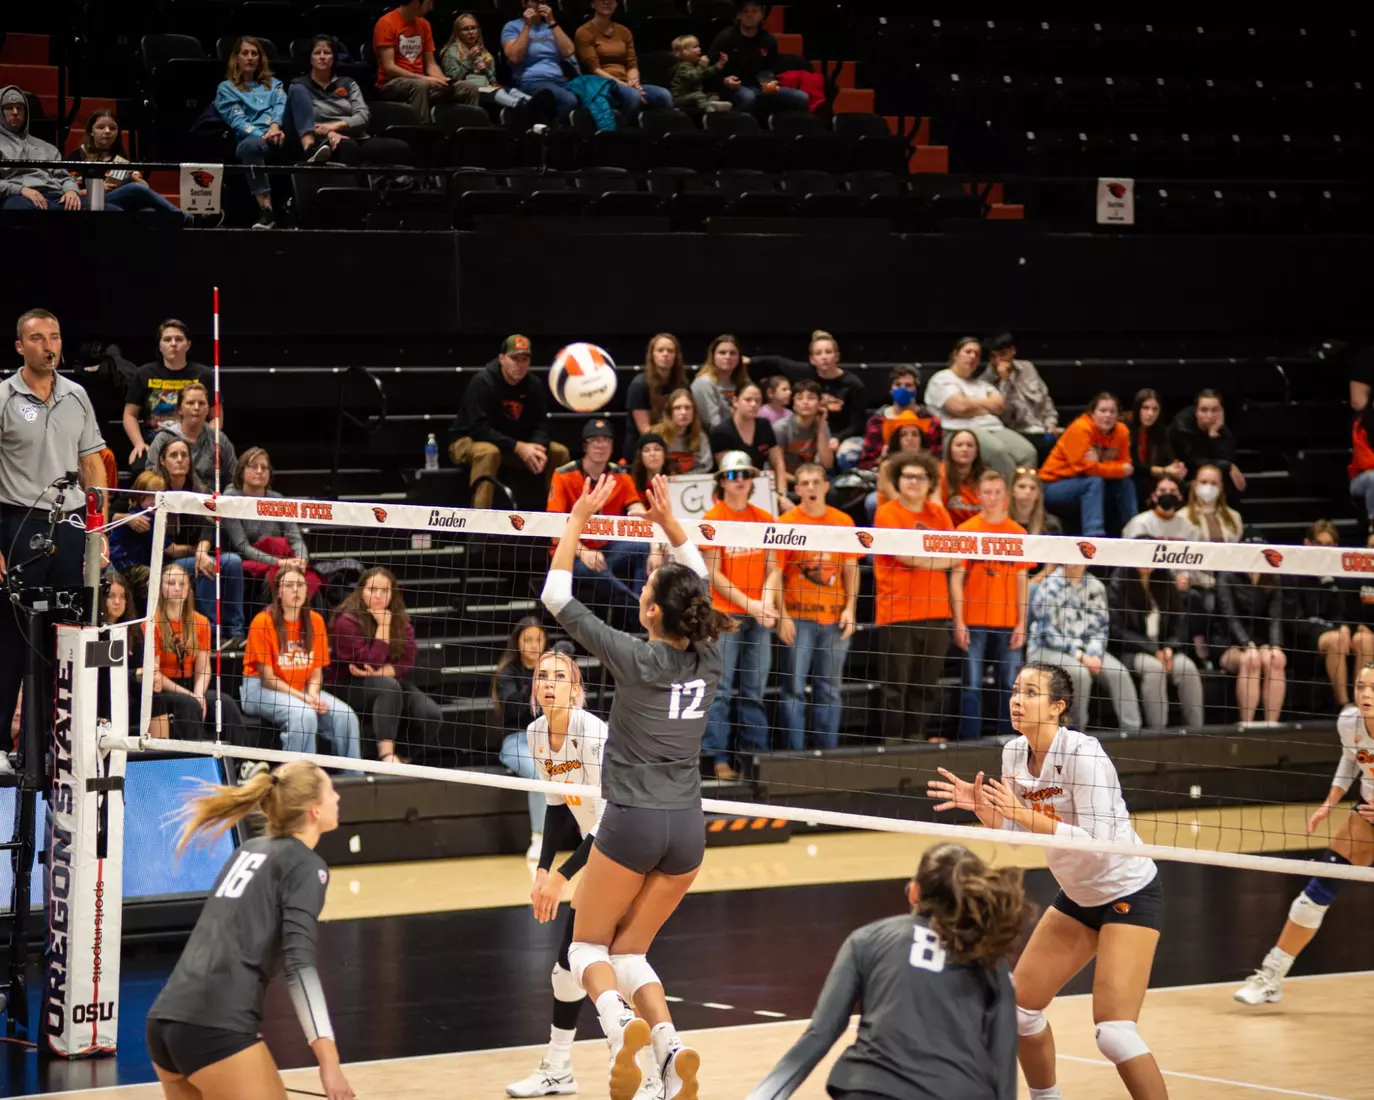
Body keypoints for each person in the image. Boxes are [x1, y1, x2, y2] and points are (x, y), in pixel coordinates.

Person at [541, 473, 726, 1100]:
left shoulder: (635, 656)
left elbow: (557, 597)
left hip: (634, 820)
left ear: (651, 612)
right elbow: (694, 575)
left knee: (585, 946)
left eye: (646, 590)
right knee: (630, 952)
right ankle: (670, 1050)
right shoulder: (711, 655)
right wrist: (672, 525)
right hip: (689, 830)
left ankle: (620, 1027)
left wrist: (577, 519)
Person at [929, 662, 1169, 1100]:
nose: (1017, 700)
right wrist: (986, 811)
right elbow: (1018, 840)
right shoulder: (1013, 753)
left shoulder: (1084, 754)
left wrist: (1022, 814)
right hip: (1078, 898)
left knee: (1114, 1032)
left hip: (1128, 892)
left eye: (1031, 693)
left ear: (1058, 707)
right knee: (1018, 1013)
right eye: (1016, 691)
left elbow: (1100, 845)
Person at [748, 842, 1024, 1100]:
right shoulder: (991, 961)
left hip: (870, 1088)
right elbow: (1003, 1056)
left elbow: (820, 1034)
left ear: (914, 891)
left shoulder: (866, 939)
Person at [145, 761, 354, 1100]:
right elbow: (299, 966)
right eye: (331, 790)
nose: (337, 797)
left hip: (164, 1023)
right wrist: (328, 1061)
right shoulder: (305, 865)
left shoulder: (248, 850)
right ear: (314, 810)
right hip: (216, 1028)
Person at [508, 650, 659, 1099]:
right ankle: (560, 1068)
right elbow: (558, 807)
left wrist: (563, 878)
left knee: (609, 963)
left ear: (577, 690)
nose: (549, 682)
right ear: (535, 688)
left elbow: (608, 817)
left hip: (629, 844)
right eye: (542, 676)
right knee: (570, 969)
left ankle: (653, 1073)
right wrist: (542, 870)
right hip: (604, 853)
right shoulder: (536, 734)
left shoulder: (591, 731)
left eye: (560, 676)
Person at [1234, 662, 1374, 1007]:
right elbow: (1351, 759)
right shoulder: (1350, 721)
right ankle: (1272, 976)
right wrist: (1329, 803)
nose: (1366, 694)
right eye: (1360, 686)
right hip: (1368, 816)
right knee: (1318, 889)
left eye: (1373, 688)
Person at [0, 309, 108, 740]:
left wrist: (98, 530)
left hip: (71, 525)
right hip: (19, 523)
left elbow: (92, 464)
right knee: (11, 640)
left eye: (56, 337)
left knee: (65, 638)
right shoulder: (4, 397)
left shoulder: (77, 395)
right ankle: (1, 750)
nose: (50, 346)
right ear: (20, 347)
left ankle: (57, 744)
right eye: (39, 338)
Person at [701, 452, 778, 780]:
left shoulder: (765, 518)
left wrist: (766, 603)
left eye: (744, 474)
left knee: (753, 690)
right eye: (732, 475)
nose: (739, 480)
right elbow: (714, 574)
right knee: (721, 689)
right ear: (721, 481)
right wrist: (754, 605)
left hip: (757, 613)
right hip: (724, 615)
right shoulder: (713, 518)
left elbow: (774, 569)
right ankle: (717, 759)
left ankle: (754, 761)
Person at [775, 465, 858, 750]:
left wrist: (851, 608)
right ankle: (794, 754)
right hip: (798, 618)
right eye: (804, 483)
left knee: (829, 689)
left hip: (834, 618)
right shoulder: (786, 523)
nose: (810, 488)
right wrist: (782, 617)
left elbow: (850, 566)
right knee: (794, 689)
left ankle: (827, 753)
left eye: (815, 482)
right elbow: (775, 573)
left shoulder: (843, 521)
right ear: (796, 489)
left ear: (826, 486)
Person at [241, 566, 362, 760]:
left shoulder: (315, 621)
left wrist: (313, 694)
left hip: (303, 688)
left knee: (346, 717)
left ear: (307, 590)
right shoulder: (262, 621)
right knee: (304, 715)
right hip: (260, 689)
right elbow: (267, 678)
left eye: (300, 585)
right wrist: (304, 698)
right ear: (278, 592)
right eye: (289, 586)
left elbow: (316, 671)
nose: (295, 590)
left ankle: (352, 779)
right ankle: (297, 781)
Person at [873, 452, 954, 743]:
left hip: (935, 610)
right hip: (897, 611)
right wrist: (940, 558)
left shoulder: (938, 514)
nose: (914, 482)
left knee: (926, 684)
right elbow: (906, 557)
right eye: (908, 476)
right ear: (898, 480)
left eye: (920, 477)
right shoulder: (887, 513)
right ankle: (892, 743)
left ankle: (917, 740)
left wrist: (930, 559)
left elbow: (957, 558)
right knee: (896, 685)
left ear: (930, 482)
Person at [330, 567, 444, 763]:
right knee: (388, 687)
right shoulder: (346, 621)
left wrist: (380, 672)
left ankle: (402, 759)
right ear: (361, 591)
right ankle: (386, 754)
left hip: (384, 680)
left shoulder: (399, 620)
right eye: (373, 590)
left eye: (385, 591)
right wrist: (383, 627)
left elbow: (407, 660)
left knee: (431, 713)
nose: (379, 596)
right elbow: (369, 661)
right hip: (346, 684)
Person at [949, 470, 1030, 739]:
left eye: (997, 493)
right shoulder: (967, 531)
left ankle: (1009, 740)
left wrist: (1022, 622)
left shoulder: (1018, 533)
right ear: (979, 495)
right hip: (974, 619)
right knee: (971, 684)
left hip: (1008, 621)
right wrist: (958, 621)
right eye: (987, 492)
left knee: (1010, 685)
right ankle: (969, 739)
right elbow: (956, 579)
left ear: (1006, 497)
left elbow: (1022, 580)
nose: (992, 498)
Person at [448, 335, 570, 510]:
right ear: (501, 359)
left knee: (559, 452)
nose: (520, 364)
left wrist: (536, 447)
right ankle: (478, 530)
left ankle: (559, 524)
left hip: (511, 445)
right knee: (488, 453)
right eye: (514, 358)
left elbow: (541, 424)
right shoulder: (482, 382)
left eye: (525, 359)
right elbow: (478, 428)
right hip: (467, 441)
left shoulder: (534, 385)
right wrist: (518, 447)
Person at [216, 37, 324, 229]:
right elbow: (237, 120)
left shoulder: (273, 84)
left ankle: (310, 149)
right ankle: (266, 211)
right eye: (245, 53)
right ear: (236, 58)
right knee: (250, 145)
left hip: (280, 134)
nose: (250, 57)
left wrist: (275, 127)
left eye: (254, 53)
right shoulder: (226, 88)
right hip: (253, 139)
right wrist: (263, 134)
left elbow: (280, 106)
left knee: (298, 89)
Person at [547, 419, 646, 629]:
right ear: (585, 446)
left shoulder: (619, 474)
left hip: (606, 547)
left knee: (645, 548)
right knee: (596, 569)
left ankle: (641, 600)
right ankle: (637, 611)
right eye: (595, 440)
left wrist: (644, 520)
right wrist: (582, 552)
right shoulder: (564, 475)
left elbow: (636, 507)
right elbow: (554, 527)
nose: (601, 445)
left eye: (606, 440)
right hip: (571, 551)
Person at [1028, 563, 1144, 732]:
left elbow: (1101, 627)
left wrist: (1094, 654)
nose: (1075, 563)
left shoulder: (1096, 586)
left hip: (1088, 650)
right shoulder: (1049, 585)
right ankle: (1075, 733)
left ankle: (1134, 733)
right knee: (1079, 673)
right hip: (1047, 648)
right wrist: (1080, 656)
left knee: (1119, 673)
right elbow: (1048, 632)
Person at [157, 438, 248, 648]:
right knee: (204, 567)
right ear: (162, 461)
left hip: (197, 554)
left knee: (232, 561)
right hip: (166, 562)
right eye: (174, 455)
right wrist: (196, 553)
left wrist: (201, 550)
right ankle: (214, 635)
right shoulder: (155, 488)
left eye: (184, 455)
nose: (180, 460)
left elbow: (211, 524)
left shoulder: (199, 490)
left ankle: (236, 632)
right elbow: (167, 548)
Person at [147, 563, 253, 744]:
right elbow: (155, 675)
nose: (177, 588)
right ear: (160, 588)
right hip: (164, 690)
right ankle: (197, 762)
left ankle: (242, 762)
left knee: (224, 703)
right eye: (171, 583)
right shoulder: (152, 623)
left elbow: (204, 667)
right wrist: (192, 697)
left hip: (192, 686)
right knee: (189, 705)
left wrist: (198, 693)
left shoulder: (201, 622)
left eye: (182, 583)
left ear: (189, 589)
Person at [923, 337, 1037, 483]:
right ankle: (1010, 500)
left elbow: (1000, 406)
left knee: (1028, 452)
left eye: (976, 354)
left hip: (991, 428)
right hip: (958, 431)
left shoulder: (981, 384)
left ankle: (1026, 493)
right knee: (998, 452)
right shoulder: (942, 378)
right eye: (968, 352)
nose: (972, 356)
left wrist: (970, 405)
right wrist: (985, 406)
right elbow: (960, 407)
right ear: (955, 354)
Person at [1108, 557, 1205, 728]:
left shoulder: (1164, 580)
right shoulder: (1119, 584)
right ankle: (1157, 732)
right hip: (1132, 649)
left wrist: (1170, 647)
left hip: (1163, 647)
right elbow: (1118, 632)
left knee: (1187, 668)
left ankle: (1197, 730)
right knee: (1154, 669)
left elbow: (1179, 622)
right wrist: (1153, 650)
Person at [751, 331, 868, 467]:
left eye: (828, 352)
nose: (824, 357)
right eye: (818, 353)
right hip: (808, 430)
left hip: (839, 434)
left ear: (837, 356)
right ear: (812, 359)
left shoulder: (854, 385)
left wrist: (838, 438)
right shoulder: (805, 373)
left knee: (846, 454)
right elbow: (778, 361)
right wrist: (751, 361)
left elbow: (857, 424)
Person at [292, 36, 411, 168]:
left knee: (400, 148)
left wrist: (334, 126)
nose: (322, 56)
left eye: (327, 53)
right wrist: (328, 132)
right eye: (317, 53)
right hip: (324, 141)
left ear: (333, 58)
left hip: (358, 137)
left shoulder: (348, 83)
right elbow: (303, 122)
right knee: (349, 147)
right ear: (310, 58)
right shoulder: (300, 86)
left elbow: (363, 116)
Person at [223, 447, 319, 602]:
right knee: (273, 581)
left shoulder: (278, 499)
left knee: (309, 579)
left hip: (283, 560)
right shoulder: (230, 499)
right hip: (251, 562)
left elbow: (295, 538)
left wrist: (302, 559)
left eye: (264, 467)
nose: (260, 471)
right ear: (241, 471)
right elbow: (242, 546)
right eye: (254, 466)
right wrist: (279, 562)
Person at [1037, 392, 1136, 537]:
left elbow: (1126, 465)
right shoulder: (1081, 428)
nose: (1107, 415)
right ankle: (1094, 535)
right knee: (1093, 482)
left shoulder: (1122, 432)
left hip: (1083, 483)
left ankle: (1135, 532)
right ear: (1092, 413)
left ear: (1118, 415)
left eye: (1112, 412)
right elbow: (1085, 469)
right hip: (1052, 485)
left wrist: (1100, 464)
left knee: (1125, 484)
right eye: (1103, 411)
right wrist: (1115, 468)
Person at [493, 617, 550, 859]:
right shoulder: (508, 672)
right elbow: (512, 708)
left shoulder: (555, 670)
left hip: (550, 738)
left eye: (538, 639)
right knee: (540, 773)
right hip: (517, 741)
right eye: (528, 639)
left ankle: (587, 833)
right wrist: (536, 686)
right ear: (518, 642)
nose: (533, 645)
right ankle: (538, 837)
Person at [122, 319, 214, 468]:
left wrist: (206, 442)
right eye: (167, 339)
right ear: (159, 345)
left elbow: (216, 416)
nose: (173, 344)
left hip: (193, 444)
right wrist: (138, 443)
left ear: (188, 344)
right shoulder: (144, 374)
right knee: (139, 468)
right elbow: (129, 415)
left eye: (179, 339)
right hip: (154, 443)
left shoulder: (203, 374)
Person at [1302, 519, 1374, 707]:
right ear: (1308, 544)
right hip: (1306, 634)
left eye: (1329, 545)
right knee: (1338, 639)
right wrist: (1337, 628)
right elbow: (1293, 618)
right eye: (1319, 544)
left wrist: (1345, 626)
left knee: (1364, 640)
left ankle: (1361, 705)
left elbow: (1346, 611)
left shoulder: (1344, 575)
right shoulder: (1295, 572)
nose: (1324, 549)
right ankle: (1345, 705)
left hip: (1337, 632)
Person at [68, 109, 185, 218]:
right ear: (91, 132)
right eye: (100, 127)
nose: (107, 131)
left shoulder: (121, 159)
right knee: (134, 189)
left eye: (112, 128)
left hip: (118, 200)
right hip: (90, 200)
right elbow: (68, 189)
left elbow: (145, 188)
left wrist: (131, 176)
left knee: (149, 211)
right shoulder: (80, 155)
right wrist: (98, 189)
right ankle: (183, 217)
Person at [374, 0, 478, 122]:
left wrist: (442, 80)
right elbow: (389, 67)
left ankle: (468, 134)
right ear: (416, 3)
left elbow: (431, 64)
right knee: (420, 85)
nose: (431, 7)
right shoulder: (386, 22)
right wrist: (423, 78)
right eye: (428, 3)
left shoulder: (424, 25)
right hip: (391, 82)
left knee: (468, 87)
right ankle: (423, 132)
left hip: (421, 81)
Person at [706, 0, 810, 117]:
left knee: (801, 97)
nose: (750, 15)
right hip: (733, 87)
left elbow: (770, 68)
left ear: (761, 15)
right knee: (748, 97)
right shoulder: (726, 37)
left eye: (754, 11)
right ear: (738, 15)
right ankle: (741, 130)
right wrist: (724, 81)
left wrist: (770, 82)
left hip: (759, 86)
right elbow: (708, 69)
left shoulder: (768, 40)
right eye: (745, 11)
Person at [1209, 570, 1285, 724]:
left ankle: (1272, 725)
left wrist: (1276, 645)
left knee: (1276, 660)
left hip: (1258, 640)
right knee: (1251, 660)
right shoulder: (1227, 576)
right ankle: (1246, 724)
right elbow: (1229, 615)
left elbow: (1274, 617)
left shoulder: (1271, 577)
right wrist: (1246, 643)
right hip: (1227, 641)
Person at [575, 0, 673, 117]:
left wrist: (634, 83)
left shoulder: (624, 31)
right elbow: (594, 68)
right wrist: (624, 85)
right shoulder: (584, 32)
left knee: (664, 95)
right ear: (592, 4)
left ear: (616, 5)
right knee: (633, 96)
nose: (607, 2)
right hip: (602, 84)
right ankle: (626, 131)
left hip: (627, 82)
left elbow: (632, 64)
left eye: (611, 0)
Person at [0, 87, 90, 212]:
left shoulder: (47, 147)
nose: (15, 112)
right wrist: (20, 189)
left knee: (110, 208)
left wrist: (72, 191)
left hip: (56, 196)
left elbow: (65, 178)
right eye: (9, 107)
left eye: (20, 108)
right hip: (18, 197)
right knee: (19, 207)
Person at [709, 380, 788, 513]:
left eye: (758, 401)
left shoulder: (764, 425)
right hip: (732, 489)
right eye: (748, 400)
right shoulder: (722, 431)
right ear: (735, 401)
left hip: (760, 485)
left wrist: (782, 495)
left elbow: (778, 463)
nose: (753, 404)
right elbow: (727, 471)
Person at [983, 332, 1059, 463]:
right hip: (1016, 433)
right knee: (1045, 449)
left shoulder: (1027, 368)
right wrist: (1004, 382)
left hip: (1041, 428)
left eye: (1002, 354)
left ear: (1012, 351)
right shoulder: (985, 382)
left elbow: (1045, 400)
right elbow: (1002, 417)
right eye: (993, 356)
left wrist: (1051, 423)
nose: (998, 361)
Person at [146, 382, 236, 489]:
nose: (196, 407)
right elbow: (150, 477)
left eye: (202, 403)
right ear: (180, 409)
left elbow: (234, 479)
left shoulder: (219, 439)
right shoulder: (163, 438)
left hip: (210, 502)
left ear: (208, 409)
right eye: (190, 403)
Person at [502, 0, 579, 120]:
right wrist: (527, 25)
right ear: (524, 4)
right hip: (532, 80)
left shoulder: (550, 27)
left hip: (558, 80)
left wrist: (552, 21)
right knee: (569, 100)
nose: (539, 5)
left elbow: (569, 51)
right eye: (535, 1)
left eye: (543, 1)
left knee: (590, 96)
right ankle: (548, 131)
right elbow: (514, 57)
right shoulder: (512, 26)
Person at [440, 14, 534, 111]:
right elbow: (452, 79)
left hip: (487, 88)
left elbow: (493, 80)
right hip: (470, 91)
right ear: (458, 33)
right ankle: (521, 106)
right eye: (466, 29)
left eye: (473, 28)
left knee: (511, 91)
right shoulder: (451, 51)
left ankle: (533, 102)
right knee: (498, 92)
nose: (471, 32)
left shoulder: (484, 53)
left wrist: (486, 70)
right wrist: (468, 61)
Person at [857, 366, 942, 471]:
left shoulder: (931, 422)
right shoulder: (877, 422)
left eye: (908, 385)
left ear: (916, 389)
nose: (902, 389)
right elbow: (865, 464)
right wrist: (882, 459)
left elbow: (938, 459)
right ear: (891, 389)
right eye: (898, 385)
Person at [1168, 388, 1246, 500]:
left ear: (1221, 411)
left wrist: (1214, 436)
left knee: (1227, 478)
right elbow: (1194, 461)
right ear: (1196, 411)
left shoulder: (1222, 429)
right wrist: (1227, 465)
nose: (1209, 416)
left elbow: (1227, 457)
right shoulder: (1182, 426)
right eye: (1204, 410)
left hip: (1207, 473)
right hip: (1184, 473)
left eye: (1215, 410)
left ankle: (1225, 513)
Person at [623, 334, 688, 456]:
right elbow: (645, 431)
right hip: (644, 449)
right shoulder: (639, 385)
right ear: (652, 355)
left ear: (676, 356)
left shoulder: (681, 383)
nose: (665, 354)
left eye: (670, 351)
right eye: (660, 350)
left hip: (674, 443)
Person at [1128, 389, 1186, 510]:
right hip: (1133, 477)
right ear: (1137, 408)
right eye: (1145, 408)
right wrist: (1164, 470)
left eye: (1155, 409)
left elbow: (1168, 457)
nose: (1150, 413)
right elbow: (1132, 464)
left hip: (1153, 477)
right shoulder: (1125, 429)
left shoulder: (1160, 431)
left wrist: (1176, 467)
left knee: (1182, 484)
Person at [773, 379, 835, 481]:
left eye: (811, 398)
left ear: (819, 403)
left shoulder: (822, 425)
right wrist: (800, 483)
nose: (805, 402)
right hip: (785, 480)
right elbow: (776, 468)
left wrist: (820, 428)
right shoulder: (780, 428)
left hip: (811, 481)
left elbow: (827, 464)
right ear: (794, 403)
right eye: (799, 398)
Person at [690, 333, 749, 432]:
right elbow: (714, 426)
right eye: (722, 353)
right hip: (715, 441)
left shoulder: (744, 382)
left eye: (733, 353)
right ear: (713, 356)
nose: (728, 357)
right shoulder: (704, 383)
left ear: (739, 357)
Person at [653, 387, 713, 474]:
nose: (683, 412)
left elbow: (705, 466)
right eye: (677, 408)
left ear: (694, 412)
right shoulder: (657, 435)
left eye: (688, 408)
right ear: (670, 412)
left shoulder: (700, 437)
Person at [669, 35, 731, 113]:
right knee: (699, 95)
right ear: (685, 52)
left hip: (693, 96)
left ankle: (711, 105)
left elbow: (705, 74)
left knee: (713, 95)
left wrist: (718, 66)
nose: (699, 49)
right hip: (680, 98)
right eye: (695, 47)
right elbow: (694, 77)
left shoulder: (695, 64)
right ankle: (710, 112)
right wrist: (702, 64)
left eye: (698, 46)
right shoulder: (682, 66)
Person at [1121, 476, 1192, 541]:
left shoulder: (1188, 527)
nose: (1168, 493)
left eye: (1172, 491)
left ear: (1180, 497)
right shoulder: (1140, 523)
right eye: (1162, 490)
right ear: (1154, 496)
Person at [939, 429, 985, 525]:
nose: (965, 449)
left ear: (977, 452)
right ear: (950, 451)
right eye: (959, 445)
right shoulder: (939, 474)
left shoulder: (987, 478)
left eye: (970, 445)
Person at [1009, 468, 1062, 538]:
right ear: (1012, 490)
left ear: (1038, 493)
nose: (1028, 492)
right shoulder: (999, 522)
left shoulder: (1051, 525)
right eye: (1022, 486)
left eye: (1033, 488)